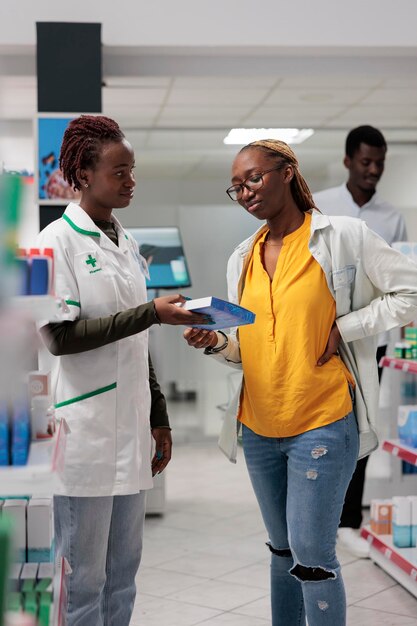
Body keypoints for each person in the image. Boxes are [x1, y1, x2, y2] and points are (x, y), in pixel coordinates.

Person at [183, 139, 417, 626]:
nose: (245, 192)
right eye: (236, 187)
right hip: (259, 427)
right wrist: (213, 342)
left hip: (323, 420)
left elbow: (409, 289)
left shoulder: (343, 237)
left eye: (254, 178)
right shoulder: (242, 257)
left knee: (312, 556)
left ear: (287, 172)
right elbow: (247, 349)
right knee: (281, 549)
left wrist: (345, 327)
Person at [36, 115, 208, 626]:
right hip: (84, 436)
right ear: (84, 175)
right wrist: (153, 311)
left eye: (132, 170)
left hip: (131, 433)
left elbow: (138, 341)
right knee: (82, 580)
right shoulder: (55, 243)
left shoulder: (126, 245)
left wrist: (159, 416)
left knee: (123, 575)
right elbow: (58, 337)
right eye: (120, 171)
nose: (130, 181)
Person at [313, 125, 408, 558]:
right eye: (366, 162)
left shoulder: (392, 216)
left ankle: (349, 521)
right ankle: (319, 517)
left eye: (380, 163)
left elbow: (398, 280)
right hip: (326, 333)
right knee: (326, 424)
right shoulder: (322, 204)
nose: (373, 170)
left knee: (362, 427)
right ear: (349, 160)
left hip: (374, 336)